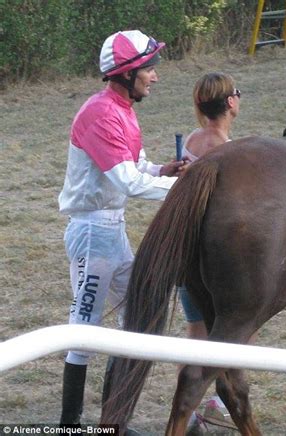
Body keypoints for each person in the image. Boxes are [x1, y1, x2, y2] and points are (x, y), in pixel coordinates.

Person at [57, 30, 186, 426]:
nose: (155, 76)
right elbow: (127, 182)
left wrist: (163, 171)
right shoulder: (101, 114)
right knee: (84, 329)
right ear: (128, 73)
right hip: (94, 234)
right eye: (150, 68)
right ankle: (69, 425)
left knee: (137, 318)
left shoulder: (123, 110)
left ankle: (112, 421)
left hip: (111, 230)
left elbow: (137, 168)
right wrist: (184, 186)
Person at [178, 72, 241, 433]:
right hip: (216, 259)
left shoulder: (191, 140)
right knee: (236, 333)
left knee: (195, 336)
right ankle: (217, 403)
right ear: (230, 103)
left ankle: (188, 414)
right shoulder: (227, 150)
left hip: (187, 254)